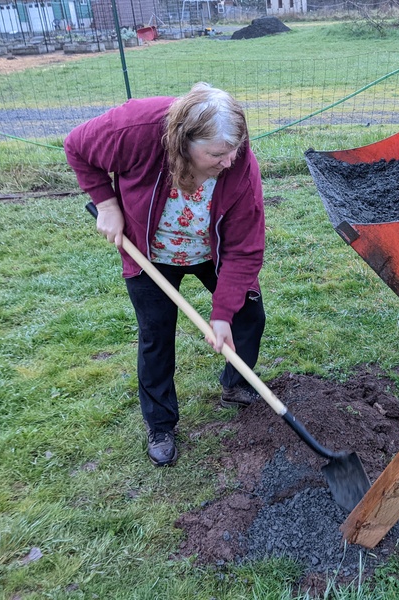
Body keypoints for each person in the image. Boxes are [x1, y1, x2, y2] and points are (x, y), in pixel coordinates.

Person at [64, 83, 266, 467]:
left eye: (234, 150)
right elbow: (76, 146)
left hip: (211, 249)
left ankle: (236, 385)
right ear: (183, 142)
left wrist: (221, 313)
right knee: (156, 336)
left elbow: (245, 248)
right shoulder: (137, 127)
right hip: (149, 250)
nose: (229, 162)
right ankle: (160, 424)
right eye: (217, 154)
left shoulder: (239, 165)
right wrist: (106, 205)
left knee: (248, 315)